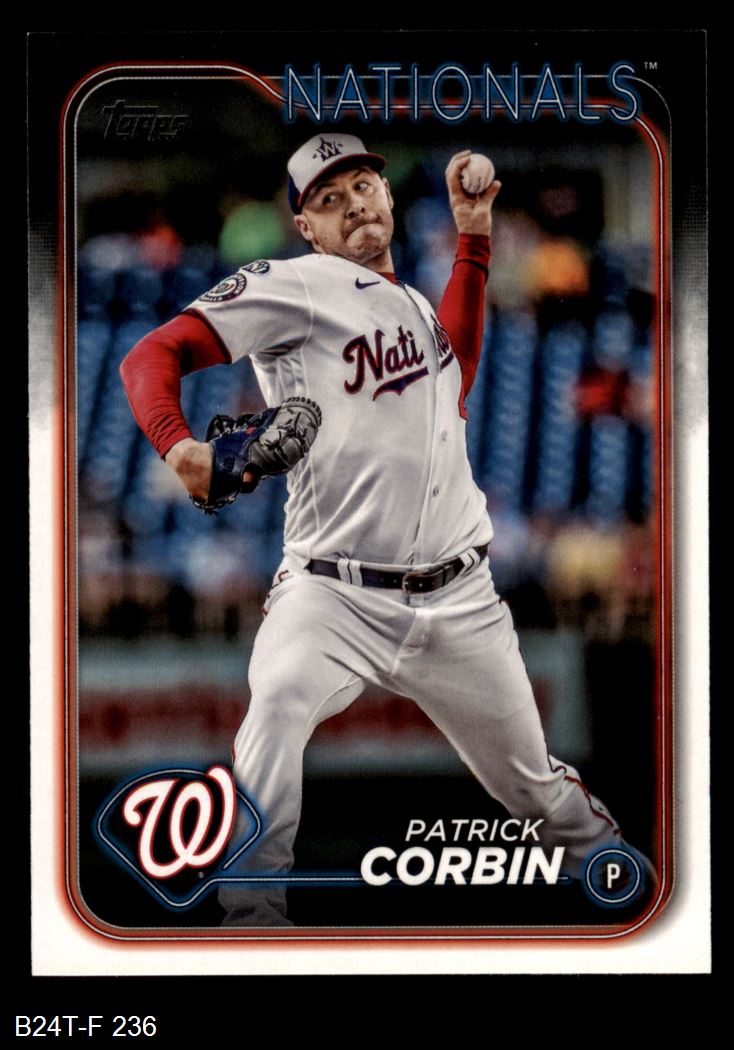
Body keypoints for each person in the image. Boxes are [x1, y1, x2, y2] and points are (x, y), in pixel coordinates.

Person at [120, 133, 646, 926]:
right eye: (328, 201)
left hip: (459, 597)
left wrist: (473, 237)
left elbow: (454, 376)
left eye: (363, 185)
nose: (354, 205)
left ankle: (634, 900)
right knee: (277, 703)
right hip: (333, 594)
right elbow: (148, 357)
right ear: (306, 229)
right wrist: (180, 446)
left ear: (389, 197)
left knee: (535, 789)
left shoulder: (410, 301)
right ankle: (253, 919)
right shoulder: (294, 285)